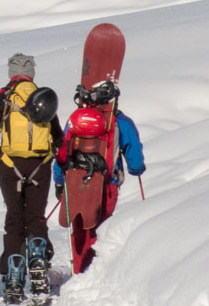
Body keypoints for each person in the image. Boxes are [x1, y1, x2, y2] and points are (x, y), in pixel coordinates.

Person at [0, 53, 64, 301]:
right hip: (40, 165)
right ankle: (38, 262)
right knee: (36, 217)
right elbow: (58, 137)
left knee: (14, 218)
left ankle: (14, 277)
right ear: (32, 72)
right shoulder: (44, 96)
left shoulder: (1, 96)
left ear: (11, 72)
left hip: (9, 165)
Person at [54, 104, 145, 271]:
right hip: (107, 184)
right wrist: (137, 168)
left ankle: (79, 272)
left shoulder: (76, 119)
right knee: (101, 228)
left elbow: (62, 150)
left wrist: (59, 181)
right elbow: (135, 161)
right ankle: (95, 272)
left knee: (79, 229)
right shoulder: (120, 121)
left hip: (75, 182)